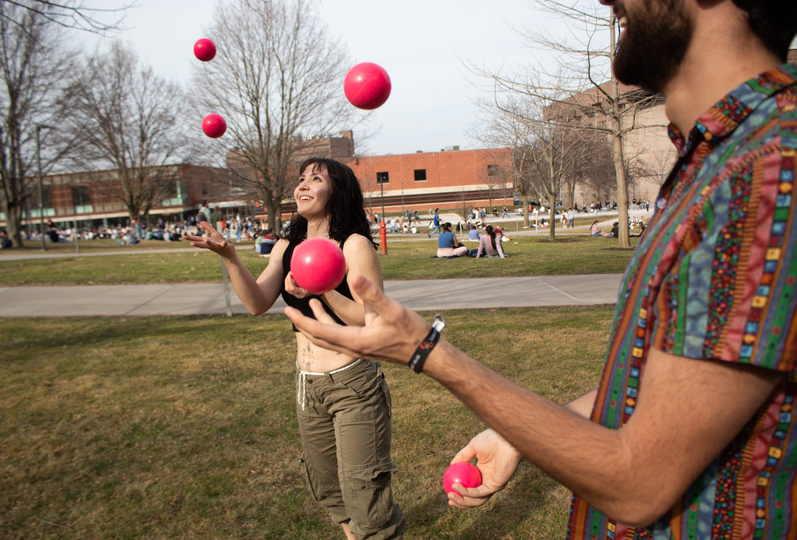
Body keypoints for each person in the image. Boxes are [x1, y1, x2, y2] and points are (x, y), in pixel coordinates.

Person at [285, 1, 797, 538]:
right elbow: (670, 385)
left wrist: (426, 349)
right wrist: (519, 436)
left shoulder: (766, 173)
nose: (606, 1)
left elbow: (640, 483)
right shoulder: (721, 162)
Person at [185, 158, 405, 540]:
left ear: (337, 191)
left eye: (315, 179)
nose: (302, 186)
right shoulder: (287, 246)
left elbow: (374, 320)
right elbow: (256, 303)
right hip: (308, 385)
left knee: (364, 490)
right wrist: (231, 258)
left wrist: (323, 291)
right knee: (328, 486)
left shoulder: (353, 245)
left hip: (352, 384)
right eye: (301, 179)